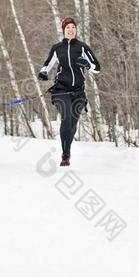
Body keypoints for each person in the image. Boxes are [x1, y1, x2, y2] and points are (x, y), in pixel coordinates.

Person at [38, 17, 100, 166]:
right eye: (68, 28)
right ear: (64, 30)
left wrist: (87, 64)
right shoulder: (57, 48)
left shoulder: (82, 47)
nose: (71, 30)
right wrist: (43, 73)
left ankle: (67, 147)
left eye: (73, 27)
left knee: (72, 123)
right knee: (66, 117)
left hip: (79, 92)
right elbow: (47, 64)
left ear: (76, 29)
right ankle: (65, 154)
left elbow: (97, 67)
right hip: (61, 90)